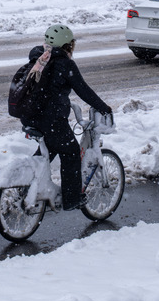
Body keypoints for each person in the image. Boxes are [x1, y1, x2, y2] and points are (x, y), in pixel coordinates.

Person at [21, 24, 113, 211]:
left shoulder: (39, 57)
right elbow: (83, 90)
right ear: (68, 45)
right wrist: (104, 108)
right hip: (51, 120)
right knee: (70, 152)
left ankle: (27, 184)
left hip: (30, 116)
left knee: (52, 146)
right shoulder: (64, 64)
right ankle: (72, 199)